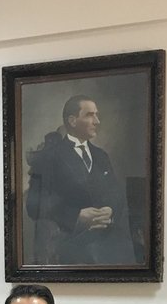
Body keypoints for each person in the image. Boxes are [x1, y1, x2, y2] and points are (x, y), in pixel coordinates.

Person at [25, 95, 136, 265]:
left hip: (107, 235)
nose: (97, 121)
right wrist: (77, 216)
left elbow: (116, 193)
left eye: (96, 115)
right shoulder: (49, 157)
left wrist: (110, 210)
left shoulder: (101, 156)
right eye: (90, 115)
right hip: (70, 239)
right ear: (72, 121)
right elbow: (34, 205)